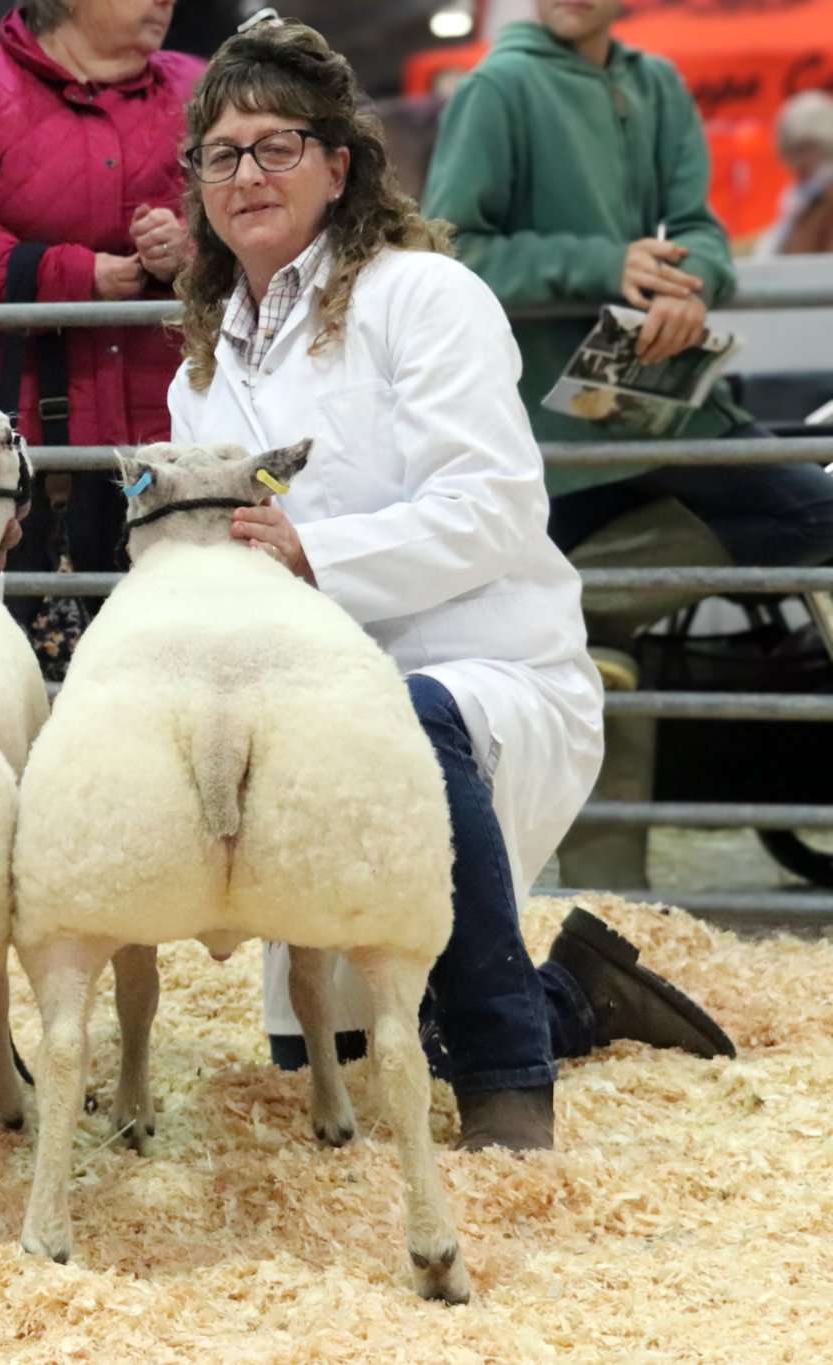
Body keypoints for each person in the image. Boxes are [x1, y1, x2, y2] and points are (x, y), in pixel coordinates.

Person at [167, 20, 734, 1151]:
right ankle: (576, 991)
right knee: (318, 1056)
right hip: (313, 697)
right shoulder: (205, 357)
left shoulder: (422, 295)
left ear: (338, 164)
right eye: (219, 154)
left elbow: (490, 508)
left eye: (275, 146)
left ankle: (505, 1077)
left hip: (477, 674)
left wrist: (306, 552)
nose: (245, 175)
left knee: (407, 721)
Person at [422, 0, 833, 575]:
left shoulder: (657, 83)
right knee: (814, 512)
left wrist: (688, 289)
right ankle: (593, 602)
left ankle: (590, 602)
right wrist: (607, 265)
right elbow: (451, 247)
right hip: (549, 415)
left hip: (659, 398)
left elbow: (696, 224)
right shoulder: (495, 86)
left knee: (817, 513)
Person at [0, 0, 200, 672]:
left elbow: (262, 223)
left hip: (166, 432)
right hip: (9, 437)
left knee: (164, 670)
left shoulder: (204, 88)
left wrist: (193, 252)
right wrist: (77, 275)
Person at [761, 90, 833, 257]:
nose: (799, 161)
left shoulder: (826, 196)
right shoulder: (798, 198)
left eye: (807, 149)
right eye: (793, 151)